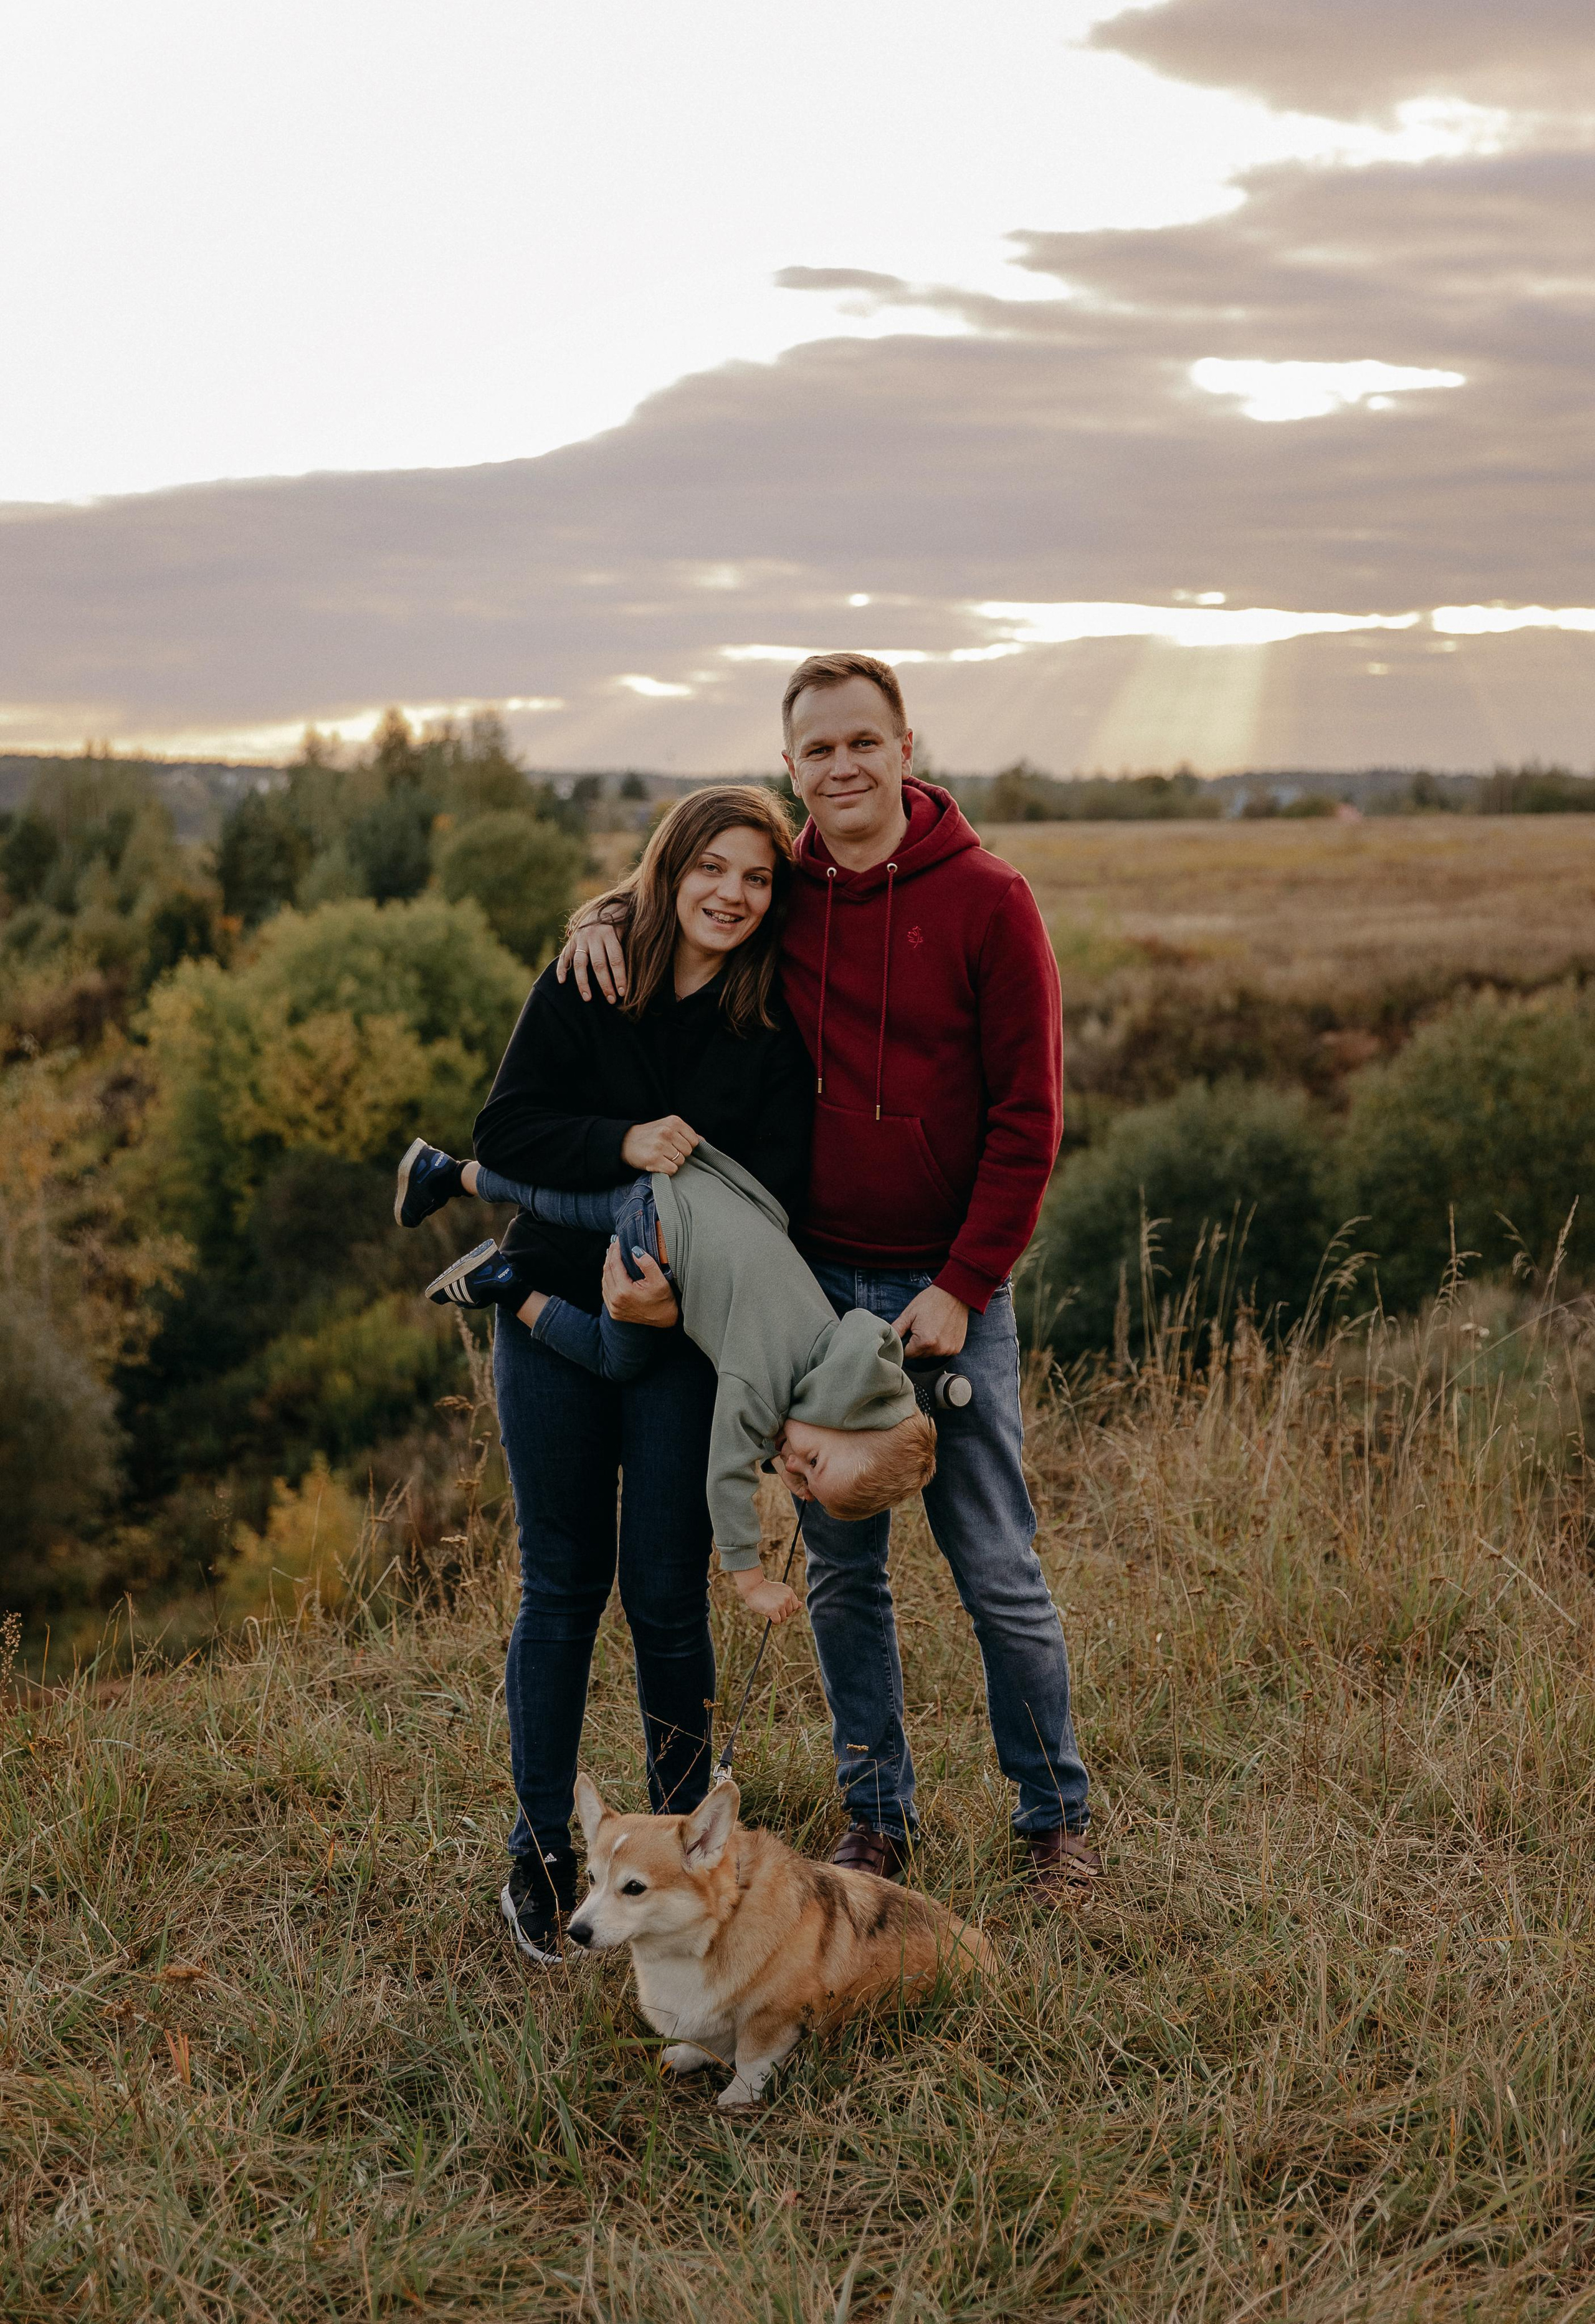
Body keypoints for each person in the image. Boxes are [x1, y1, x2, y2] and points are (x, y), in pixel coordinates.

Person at [561, 654, 1099, 1893]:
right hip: (810, 1293)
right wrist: (594, 915)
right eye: (816, 750)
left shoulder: (988, 901)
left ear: (906, 746)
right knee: (842, 1577)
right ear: (790, 764)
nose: (842, 766)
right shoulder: (784, 890)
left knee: (994, 1566)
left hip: (947, 1292)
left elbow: (1028, 1117)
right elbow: (686, 890)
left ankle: (1051, 1816)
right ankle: (875, 1814)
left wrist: (964, 1282)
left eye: (864, 741)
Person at [449, 784, 814, 1965]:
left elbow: (772, 1199)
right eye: (713, 868)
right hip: (556, 1312)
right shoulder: (590, 978)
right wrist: (619, 1141)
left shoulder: (767, 1029)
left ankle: (688, 1851)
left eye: (758, 879)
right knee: (561, 1586)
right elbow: (506, 1134)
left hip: (686, 1341)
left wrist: (672, 1299)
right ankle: (543, 1848)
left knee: (664, 1592)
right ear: (669, 870)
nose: (733, 895)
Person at [396, 1134, 937, 1622]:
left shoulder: (845, 1344)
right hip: (654, 1245)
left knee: (559, 1200)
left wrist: (797, 1459)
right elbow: (725, 1478)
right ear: (848, 1412)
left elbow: (795, 1415)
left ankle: (448, 1173)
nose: (793, 1465)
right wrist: (750, 1582)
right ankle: (506, 1285)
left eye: (804, 1478)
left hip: (689, 1189)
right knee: (617, 1358)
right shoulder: (763, 1386)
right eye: (812, 1462)